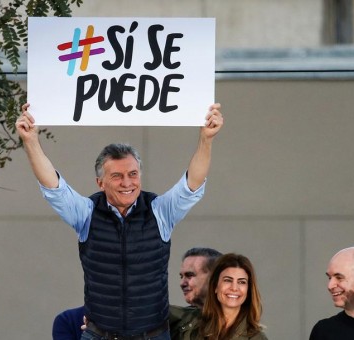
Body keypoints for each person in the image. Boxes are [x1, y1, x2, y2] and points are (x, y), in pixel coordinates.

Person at [15, 103, 224, 339]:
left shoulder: (159, 211)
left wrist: (206, 139)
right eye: (117, 176)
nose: (127, 183)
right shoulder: (86, 213)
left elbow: (191, 186)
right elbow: (54, 187)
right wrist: (31, 141)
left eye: (133, 174)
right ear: (100, 183)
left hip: (153, 335)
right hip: (100, 335)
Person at [172, 253, 268, 340]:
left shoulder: (257, 338)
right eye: (227, 280)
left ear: (248, 290)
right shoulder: (187, 321)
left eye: (241, 282)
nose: (234, 288)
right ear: (215, 286)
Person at [170, 247, 223, 338]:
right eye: (181, 277)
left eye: (190, 275)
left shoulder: (243, 329)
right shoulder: (178, 320)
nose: (182, 283)